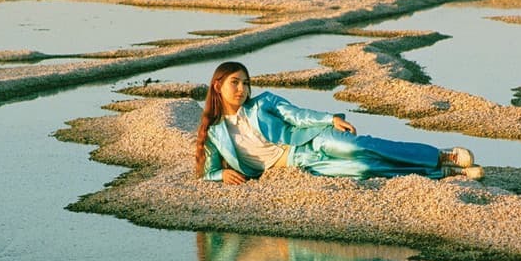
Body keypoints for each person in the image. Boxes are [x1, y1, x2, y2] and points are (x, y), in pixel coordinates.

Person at [196, 61, 485, 185]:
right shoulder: (214, 133)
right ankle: (442, 173)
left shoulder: (262, 103)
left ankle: (439, 155)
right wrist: (220, 176)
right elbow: (207, 172)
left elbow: (296, 115)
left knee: (361, 148)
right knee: (363, 169)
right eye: (235, 83)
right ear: (218, 85)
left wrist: (329, 119)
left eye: (246, 84)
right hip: (301, 163)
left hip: (312, 139)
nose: (242, 90)